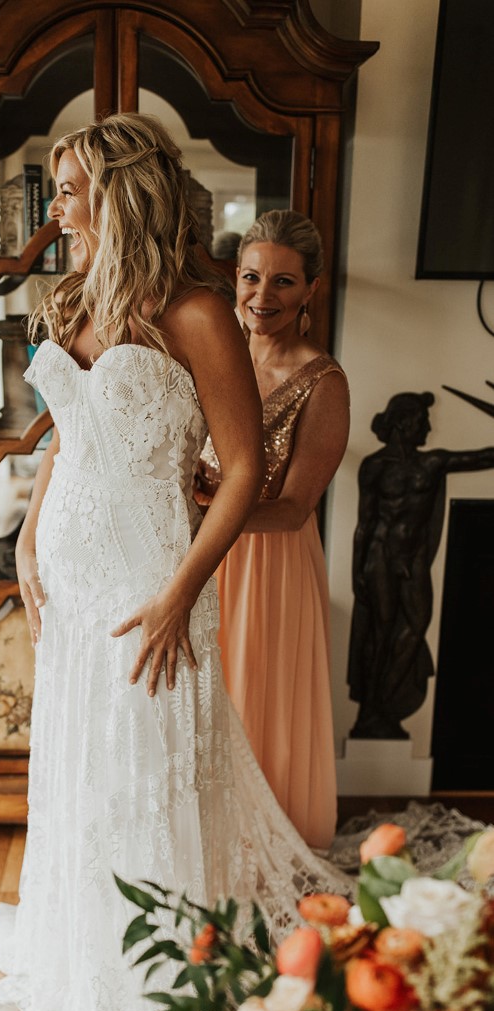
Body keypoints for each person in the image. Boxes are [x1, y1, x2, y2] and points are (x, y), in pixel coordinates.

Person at [0, 114, 350, 1011]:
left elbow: (243, 472)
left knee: (150, 768)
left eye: (67, 189)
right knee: (87, 771)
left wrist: (182, 591)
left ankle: (161, 983)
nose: (53, 208)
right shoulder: (75, 299)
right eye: (54, 189)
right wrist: (27, 538)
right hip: (74, 578)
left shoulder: (196, 309)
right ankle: (89, 950)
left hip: (152, 578)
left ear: (117, 191)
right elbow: (67, 439)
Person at [196, 211, 350, 852]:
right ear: (235, 278)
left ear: (311, 288)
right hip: (196, 554)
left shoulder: (324, 382)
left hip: (267, 566)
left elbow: (293, 509)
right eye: (252, 277)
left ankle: (265, 858)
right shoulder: (205, 350)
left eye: (283, 282)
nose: (263, 297)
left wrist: (208, 514)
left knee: (256, 710)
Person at [348, 390, 494, 740]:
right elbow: (364, 524)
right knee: (380, 634)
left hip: (412, 562)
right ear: (404, 423)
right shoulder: (374, 467)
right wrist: (358, 574)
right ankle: (372, 711)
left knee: (415, 628)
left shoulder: (432, 463)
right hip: (380, 558)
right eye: (423, 423)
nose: (428, 429)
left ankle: (386, 700)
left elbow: (485, 456)